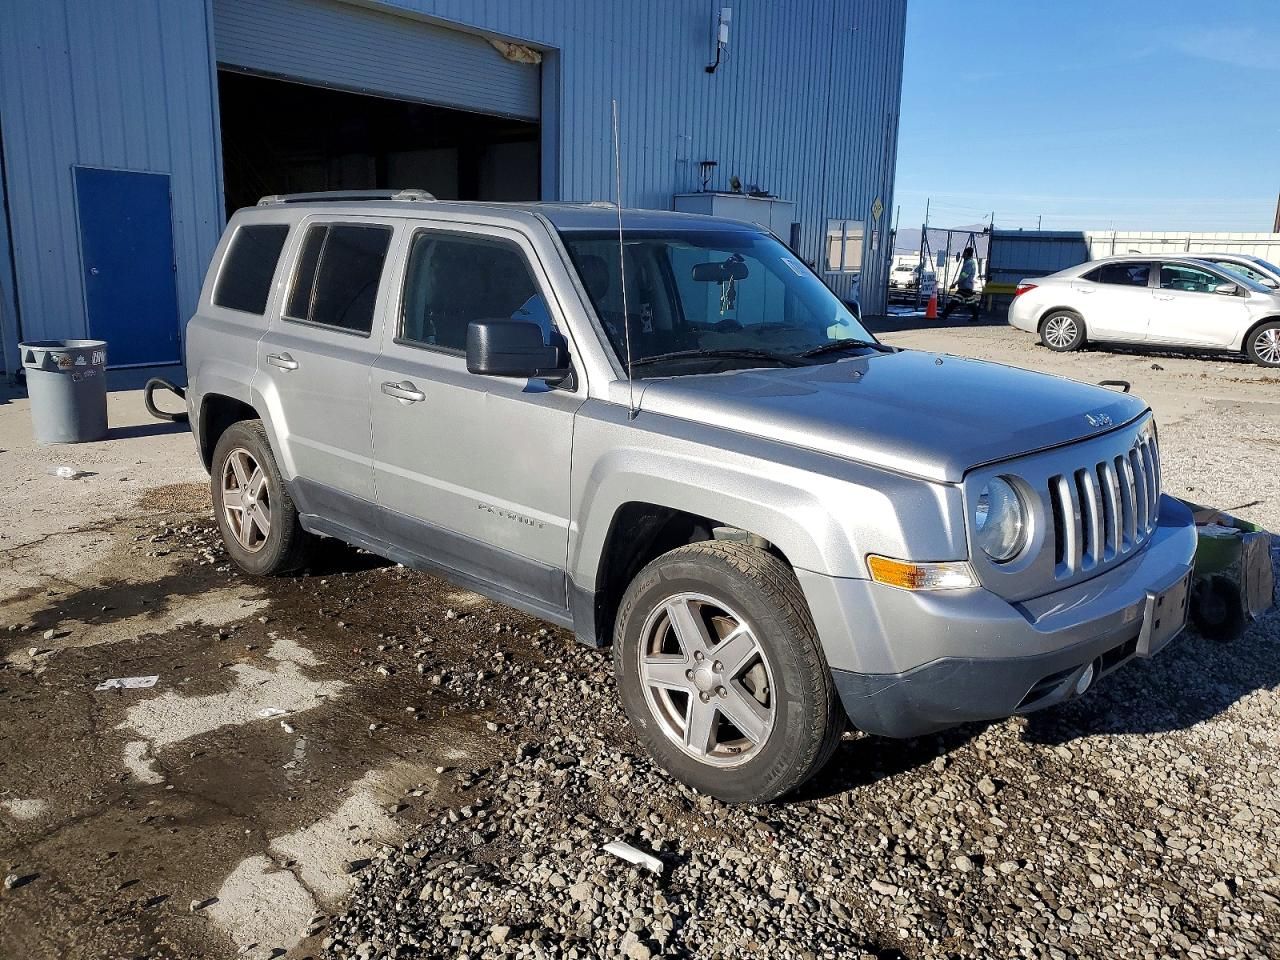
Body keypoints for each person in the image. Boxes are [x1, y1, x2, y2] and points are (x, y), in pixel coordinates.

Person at [940, 247, 981, 322]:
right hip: (965, 286)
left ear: (966, 253)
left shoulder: (969, 263)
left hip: (965, 286)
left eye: (964, 253)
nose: (962, 254)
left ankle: (945, 314)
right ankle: (945, 314)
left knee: (965, 302)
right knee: (961, 301)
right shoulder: (970, 262)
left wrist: (955, 283)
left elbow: (964, 275)